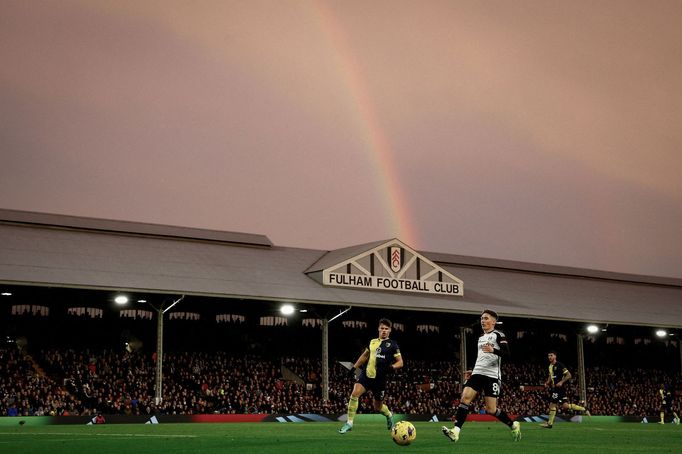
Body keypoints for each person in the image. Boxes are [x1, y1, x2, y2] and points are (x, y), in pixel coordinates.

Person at [441, 309, 521, 442]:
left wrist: (493, 350)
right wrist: (474, 370)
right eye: (482, 318)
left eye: (486, 318)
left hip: (492, 376)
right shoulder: (480, 338)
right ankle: (456, 431)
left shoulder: (498, 335)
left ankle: (513, 425)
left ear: (494, 321)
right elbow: (482, 357)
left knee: (491, 409)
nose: (483, 321)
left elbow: (508, 355)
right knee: (465, 398)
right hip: (478, 373)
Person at [338, 318, 403, 434]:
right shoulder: (372, 342)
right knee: (354, 393)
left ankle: (388, 415)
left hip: (380, 379)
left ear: (390, 331)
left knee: (377, 407)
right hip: (366, 375)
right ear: (378, 329)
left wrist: (392, 367)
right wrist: (354, 368)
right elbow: (364, 356)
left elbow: (400, 362)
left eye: (386, 329)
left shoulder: (393, 345)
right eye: (382, 328)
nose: (384, 330)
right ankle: (349, 423)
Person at [541, 351, 590, 428]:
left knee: (552, 405)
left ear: (555, 356)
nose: (549, 357)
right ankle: (584, 409)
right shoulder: (550, 366)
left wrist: (561, 382)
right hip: (557, 388)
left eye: (551, 355)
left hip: (559, 388)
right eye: (548, 356)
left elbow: (569, 375)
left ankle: (550, 424)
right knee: (566, 406)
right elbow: (550, 376)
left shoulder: (560, 365)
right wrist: (547, 383)